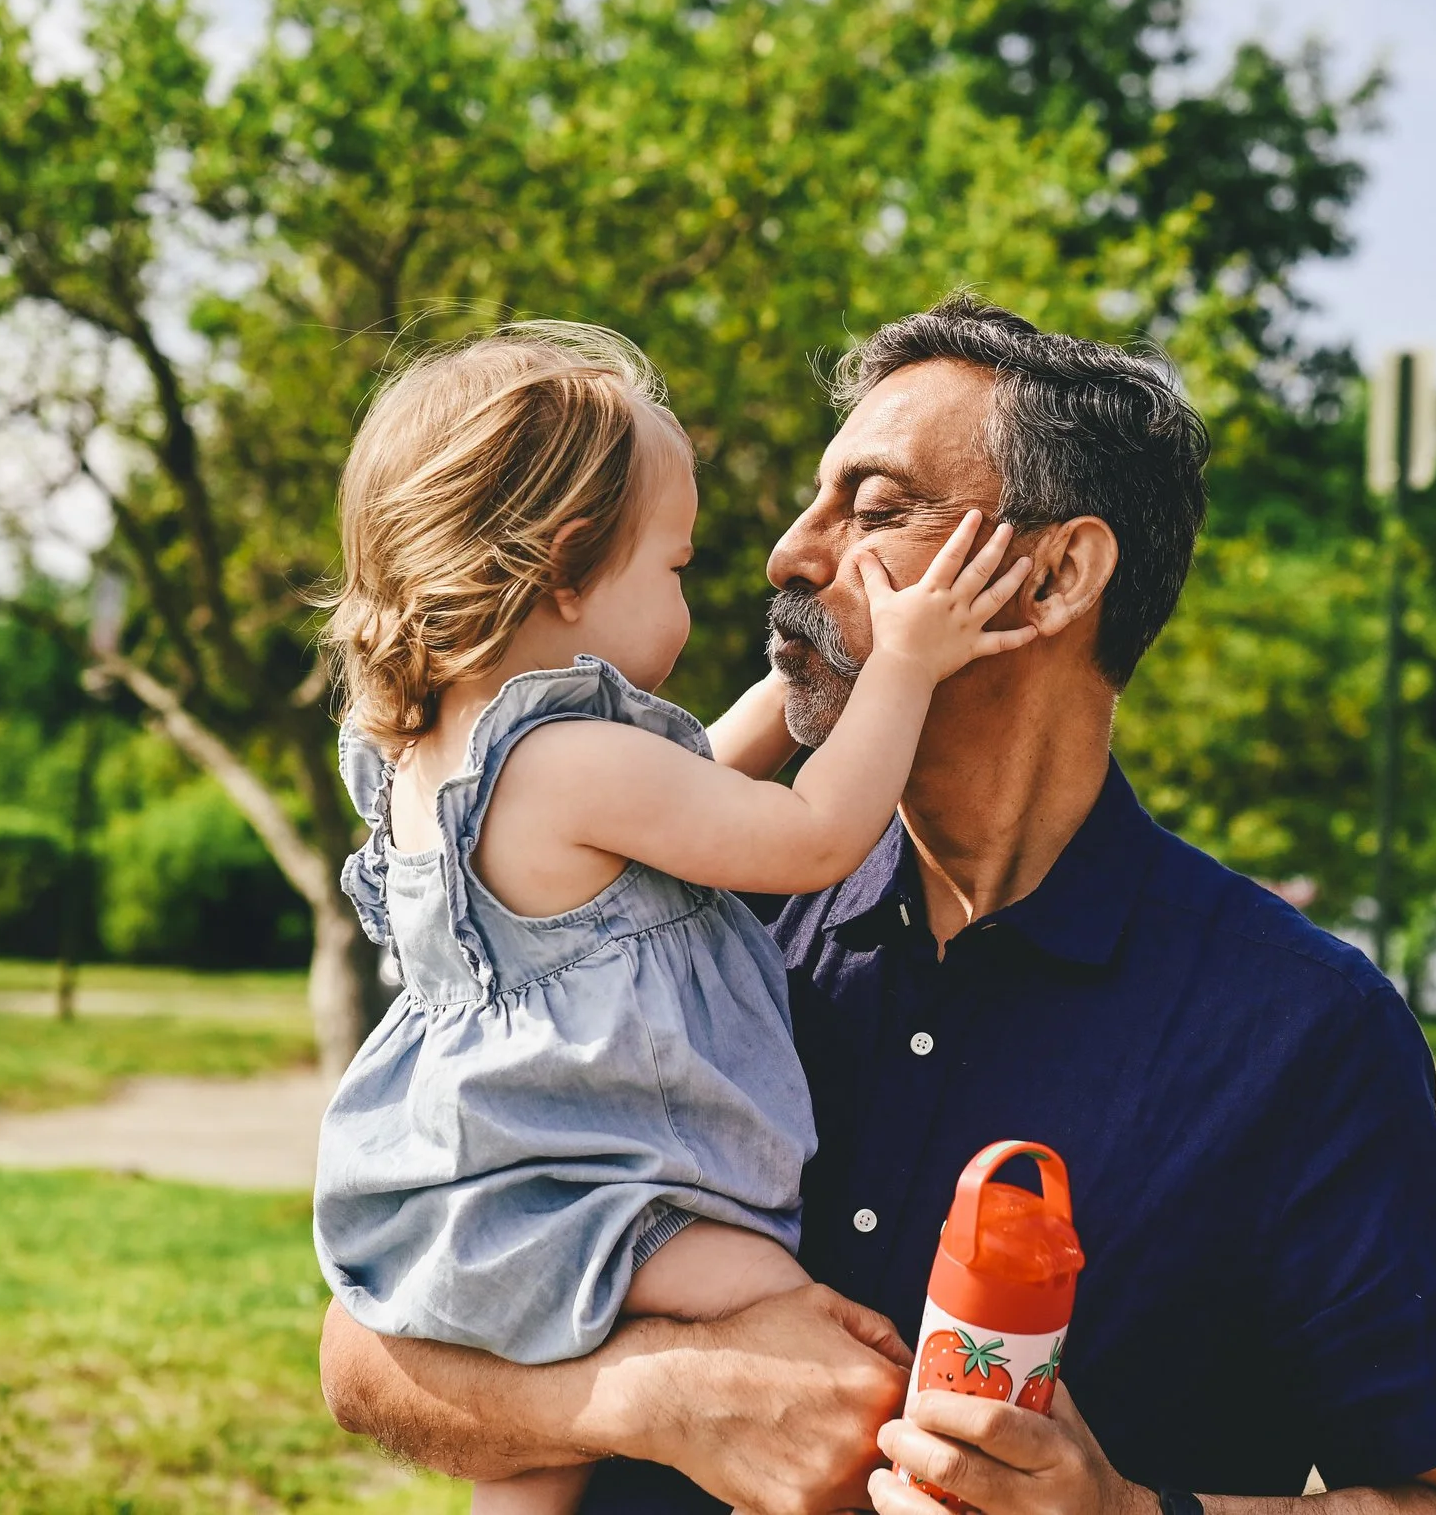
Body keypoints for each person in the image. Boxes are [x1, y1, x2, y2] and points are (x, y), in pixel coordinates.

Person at [322, 297, 1436, 1515]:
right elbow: (367, 1351)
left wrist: (1123, 1513)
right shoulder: (675, 918)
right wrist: (648, 1398)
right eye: (813, 500)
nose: (788, 550)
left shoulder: (1300, 1033)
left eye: (878, 507)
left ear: (1053, 576)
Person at [312, 323, 1039, 1515]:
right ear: (562, 569)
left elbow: (696, 768)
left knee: (530, 1460)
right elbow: (809, 835)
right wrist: (901, 663)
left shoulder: (439, 755)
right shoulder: (573, 759)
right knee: (797, 1338)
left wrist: (802, 676)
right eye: (675, 566)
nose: (697, 596)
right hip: (609, 1194)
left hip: (488, 1190)